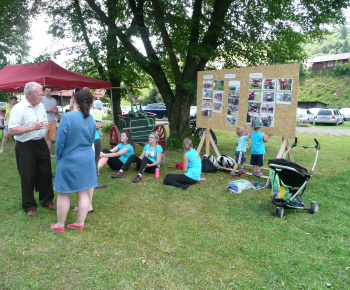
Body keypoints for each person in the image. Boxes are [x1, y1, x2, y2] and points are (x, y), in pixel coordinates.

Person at [51, 89, 97, 231]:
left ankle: (60, 225)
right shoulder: (91, 118)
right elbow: (91, 139)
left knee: (64, 192)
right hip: (87, 158)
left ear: (73, 99)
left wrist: (59, 157)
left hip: (70, 158)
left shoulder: (68, 117)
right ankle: (79, 222)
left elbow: (60, 142)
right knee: (83, 191)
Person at [8, 82, 56, 217]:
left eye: (41, 94)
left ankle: (47, 200)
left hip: (41, 143)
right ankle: (29, 205)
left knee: (45, 172)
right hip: (25, 145)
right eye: (39, 94)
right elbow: (11, 130)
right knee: (27, 175)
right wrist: (31, 128)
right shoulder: (18, 108)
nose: (41, 96)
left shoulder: (40, 106)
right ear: (29, 94)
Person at [42, 86, 58, 151]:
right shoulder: (41, 99)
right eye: (46, 91)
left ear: (51, 92)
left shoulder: (54, 100)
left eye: (49, 91)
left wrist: (55, 111)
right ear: (44, 91)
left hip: (52, 120)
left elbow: (56, 110)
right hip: (44, 120)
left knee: (50, 138)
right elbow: (37, 109)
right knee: (43, 137)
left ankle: (47, 152)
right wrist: (46, 110)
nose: (48, 92)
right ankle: (42, 151)